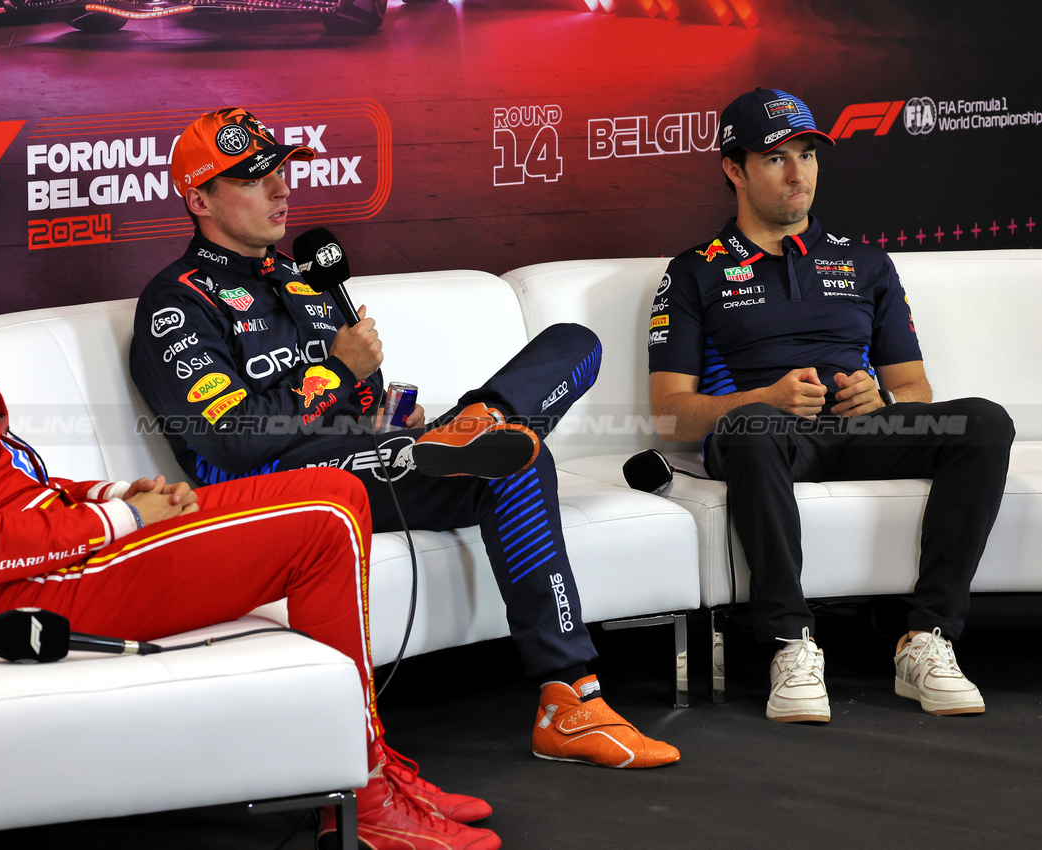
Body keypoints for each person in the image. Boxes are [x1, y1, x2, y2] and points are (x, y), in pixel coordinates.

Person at [0, 136, 502, 850]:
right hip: (36, 588)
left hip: (59, 554)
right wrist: (122, 515)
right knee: (326, 507)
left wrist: (106, 491)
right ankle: (362, 789)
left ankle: (369, 761)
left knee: (335, 495)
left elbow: (3, 483)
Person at [129, 108, 680, 771]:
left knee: (573, 344)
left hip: (370, 459)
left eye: (281, 172)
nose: (279, 190)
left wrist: (400, 419)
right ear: (199, 199)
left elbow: (367, 399)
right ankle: (572, 699)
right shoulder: (175, 305)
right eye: (253, 179)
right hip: (283, 489)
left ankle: (483, 421)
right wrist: (336, 369)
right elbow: (232, 442)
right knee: (519, 464)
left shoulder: (306, 281)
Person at [649, 88, 1014, 723]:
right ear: (734, 169)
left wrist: (881, 398)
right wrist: (764, 397)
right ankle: (790, 643)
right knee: (755, 428)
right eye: (775, 159)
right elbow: (670, 413)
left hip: (857, 431)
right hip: (764, 437)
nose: (798, 174)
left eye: (808, 155)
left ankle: (927, 639)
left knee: (982, 420)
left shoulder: (864, 260)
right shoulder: (692, 272)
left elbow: (916, 390)